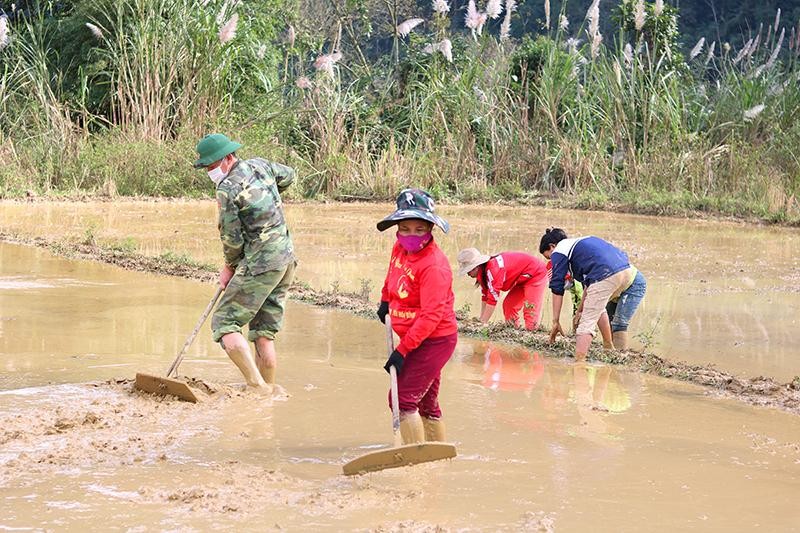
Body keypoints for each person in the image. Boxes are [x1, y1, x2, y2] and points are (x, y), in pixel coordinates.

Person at [194, 133, 297, 390]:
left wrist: (229, 267)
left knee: (224, 322)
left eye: (212, 165)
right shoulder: (261, 165)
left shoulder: (226, 189)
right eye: (207, 167)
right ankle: (269, 391)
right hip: (285, 260)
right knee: (263, 333)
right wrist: (266, 195)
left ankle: (256, 387)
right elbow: (290, 175)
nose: (210, 171)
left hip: (261, 263)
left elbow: (231, 237)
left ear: (228, 158)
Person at [376, 188, 458, 444]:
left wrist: (402, 351)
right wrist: (385, 299)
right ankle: (437, 454)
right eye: (405, 228)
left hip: (434, 340)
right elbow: (393, 275)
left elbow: (431, 316)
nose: (411, 235)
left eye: (419, 229)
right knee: (427, 403)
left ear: (430, 229)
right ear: (397, 228)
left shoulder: (434, 266)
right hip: (413, 337)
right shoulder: (399, 249)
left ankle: (416, 457)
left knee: (402, 399)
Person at [539, 228, 646, 360]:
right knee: (598, 307)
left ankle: (579, 362)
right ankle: (609, 348)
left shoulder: (560, 249)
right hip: (626, 271)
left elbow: (557, 286)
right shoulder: (580, 245)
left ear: (552, 246)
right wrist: (579, 310)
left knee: (586, 323)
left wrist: (555, 321)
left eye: (549, 257)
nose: (552, 261)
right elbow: (589, 289)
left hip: (607, 274)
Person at [457, 248, 548, 330]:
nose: (467, 274)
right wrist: (481, 319)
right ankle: (513, 330)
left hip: (535, 273)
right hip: (522, 277)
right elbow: (486, 296)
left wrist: (483, 323)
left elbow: (493, 299)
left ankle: (532, 331)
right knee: (509, 305)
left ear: (476, 266)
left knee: (530, 309)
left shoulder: (493, 269)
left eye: (468, 270)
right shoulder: (482, 273)